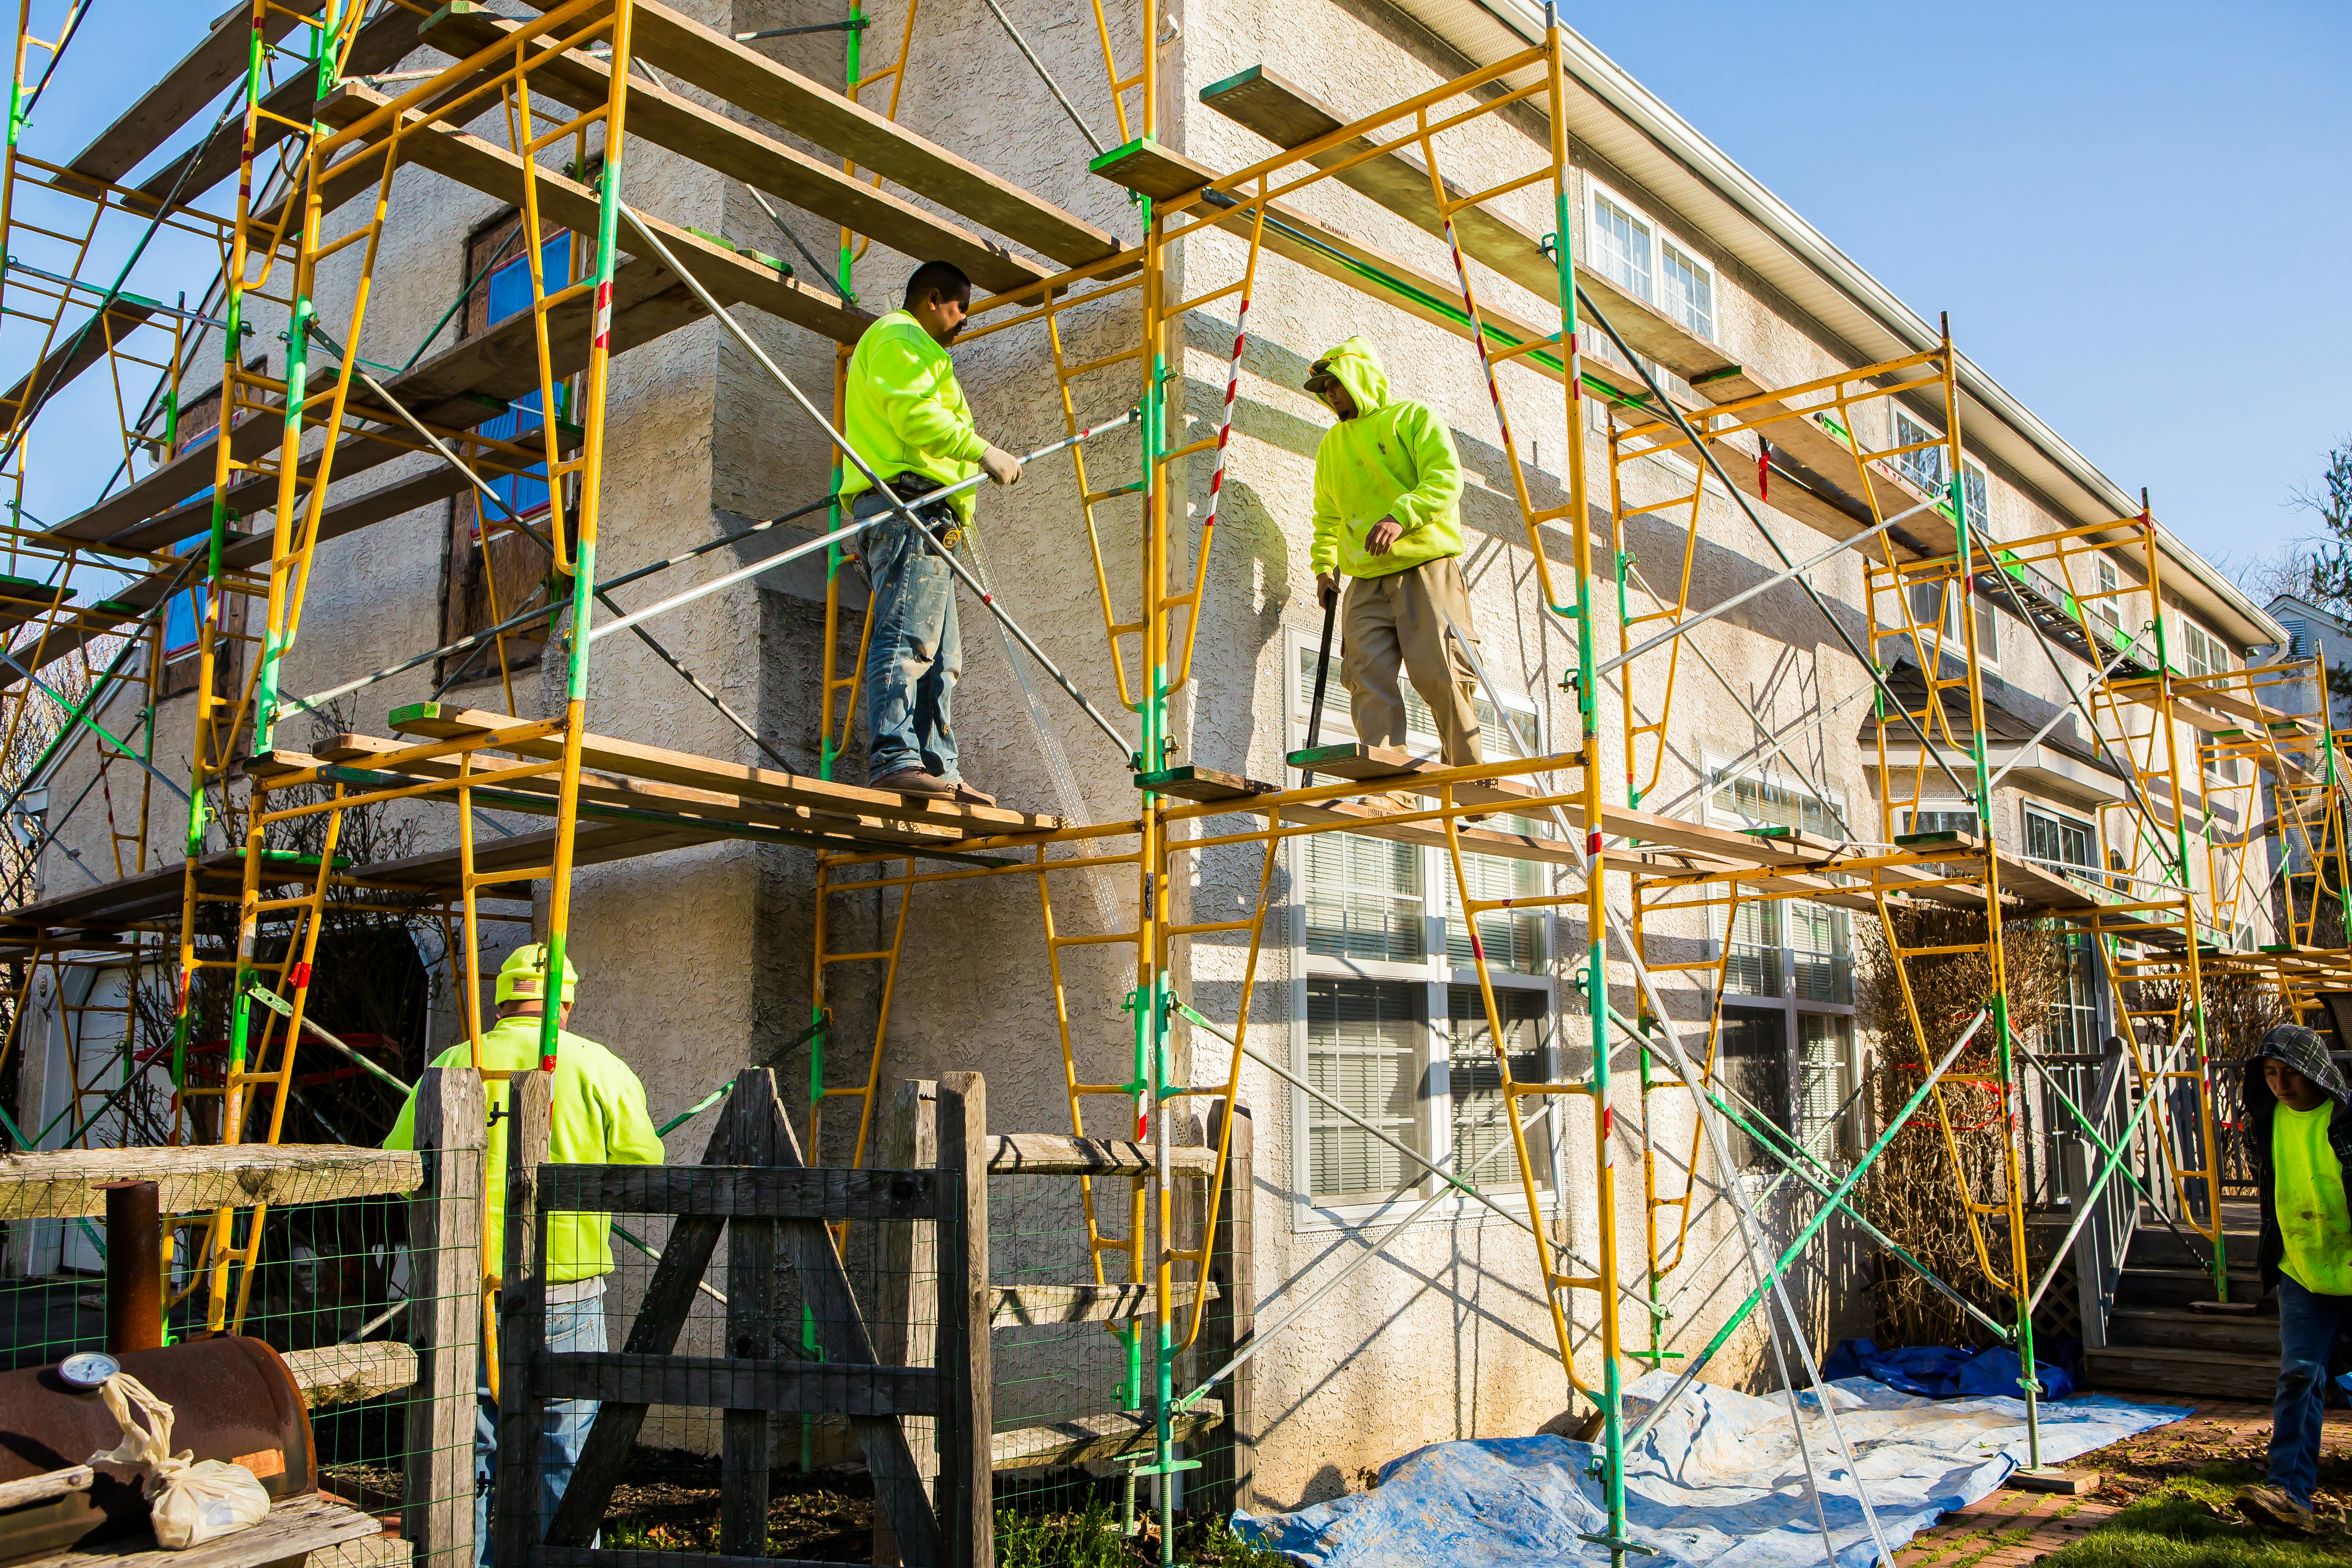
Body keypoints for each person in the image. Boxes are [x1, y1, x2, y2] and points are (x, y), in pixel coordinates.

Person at [384, 944, 664, 1565]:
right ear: (566, 1003)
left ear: (504, 998)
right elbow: (645, 1166)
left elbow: (397, 1158)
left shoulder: (457, 1062)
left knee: (466, 1442)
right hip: (566, 1283)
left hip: (464, 1284)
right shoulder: (598, 1067)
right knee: (563, 1443)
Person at [836, 258, 1026, 806]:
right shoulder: (900, 337)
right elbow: (916, 418)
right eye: (960, 306)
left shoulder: (920, 350)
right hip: (906, 506)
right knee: (907, 639)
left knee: (943, 660)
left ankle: (939, 767)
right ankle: (896, 757)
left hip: (930, 513)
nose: (965, 319)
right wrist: (981, 450)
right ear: (933, 298)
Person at [1306, 336, 1480, 810]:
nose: (1330, 395)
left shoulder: (1412, 418)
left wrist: (1401, 516)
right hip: (1365, 579)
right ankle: (1390, 790)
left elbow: (1445, 478)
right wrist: (1324, 567)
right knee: (1367, 676)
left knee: (1441, 673)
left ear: (1358, 376)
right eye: (1324, 389)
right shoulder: (1331, 446)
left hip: (1426, 566)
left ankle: (1467, 786)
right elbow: (1327, 516)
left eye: (1335, 385)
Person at [2233, 1021, 2352, 1533]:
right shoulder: (2268, 1120)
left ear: (2317, 1073)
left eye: (2292, 1074)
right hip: (2303, 1269)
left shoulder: (2347, 1119)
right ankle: (2288, 1495)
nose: (2282, 1085)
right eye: (2272, 1073)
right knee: (2299, 1377)